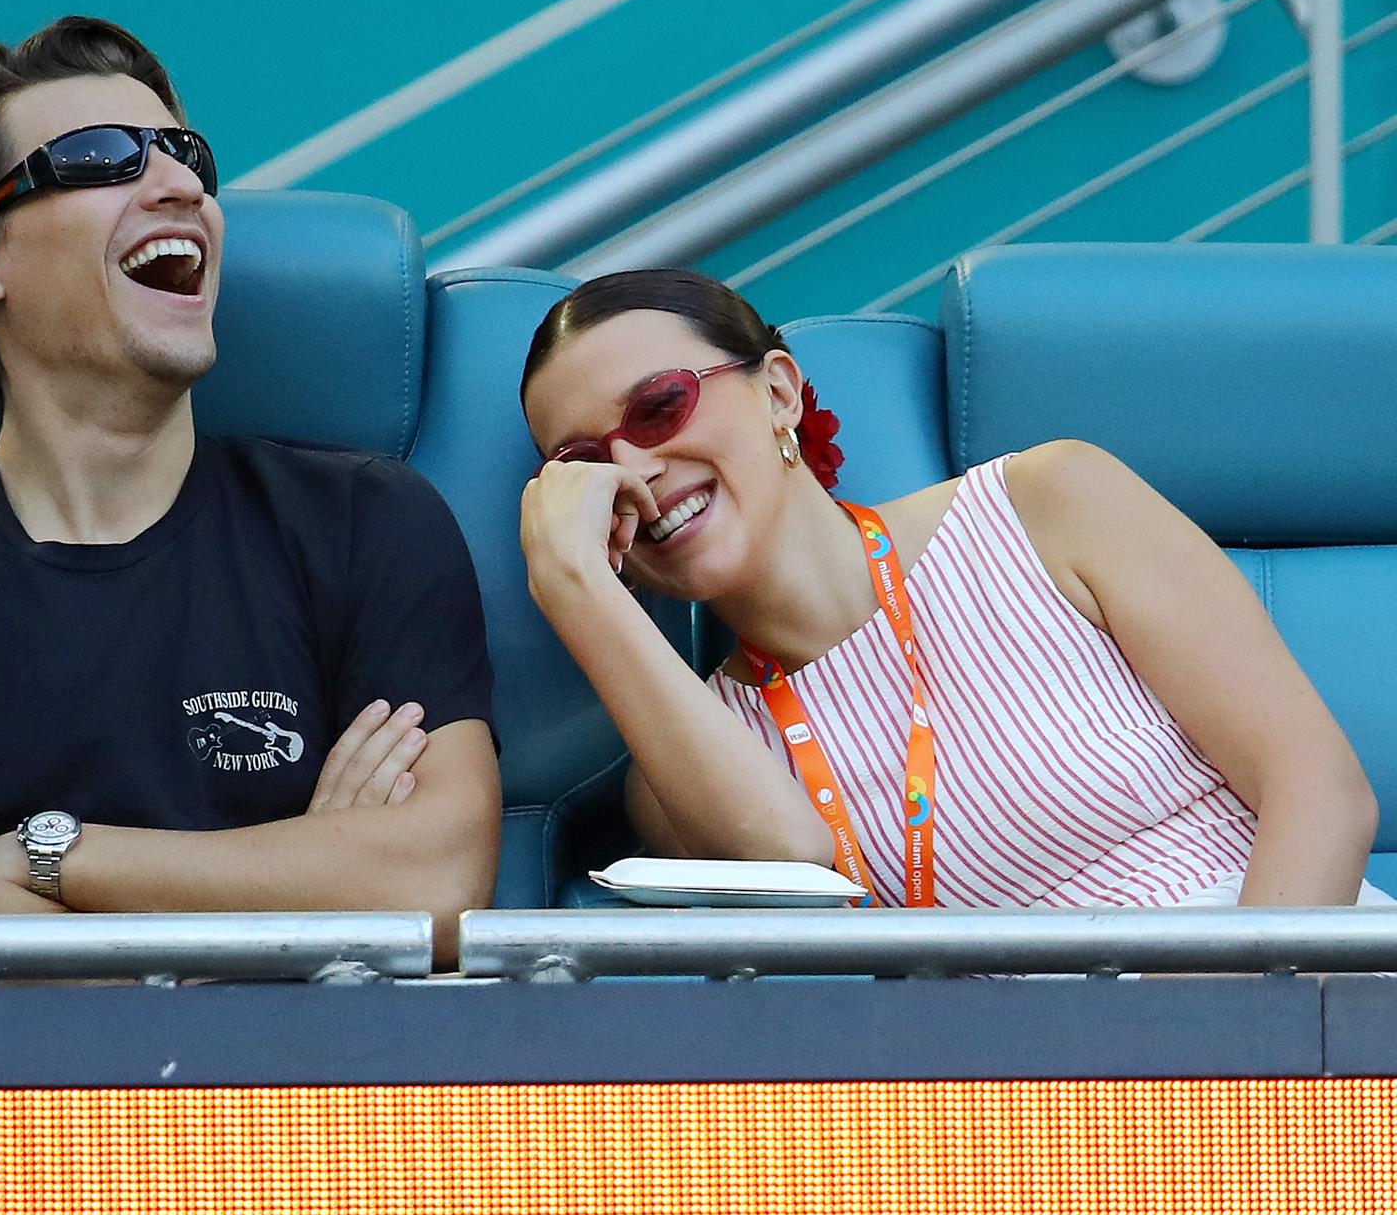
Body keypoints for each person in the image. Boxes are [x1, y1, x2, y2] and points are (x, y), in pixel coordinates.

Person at [0, 17, 500, 920]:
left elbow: (432, 882)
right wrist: (304, 889)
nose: (180, 186)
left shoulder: (365, 520)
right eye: (101, 158)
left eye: (186, 155)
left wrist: (41, 855)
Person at [516, 267, 1380, 908]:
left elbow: (1319, 791)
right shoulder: (684, 769)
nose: (636, 469)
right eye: (583, 466)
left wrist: (1232, 1068)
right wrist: (575, 586)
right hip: (1030, 1120)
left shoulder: (1049, 502)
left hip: (1297, 1024)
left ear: (779, 392)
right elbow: (791, 857)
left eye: (660, 408)